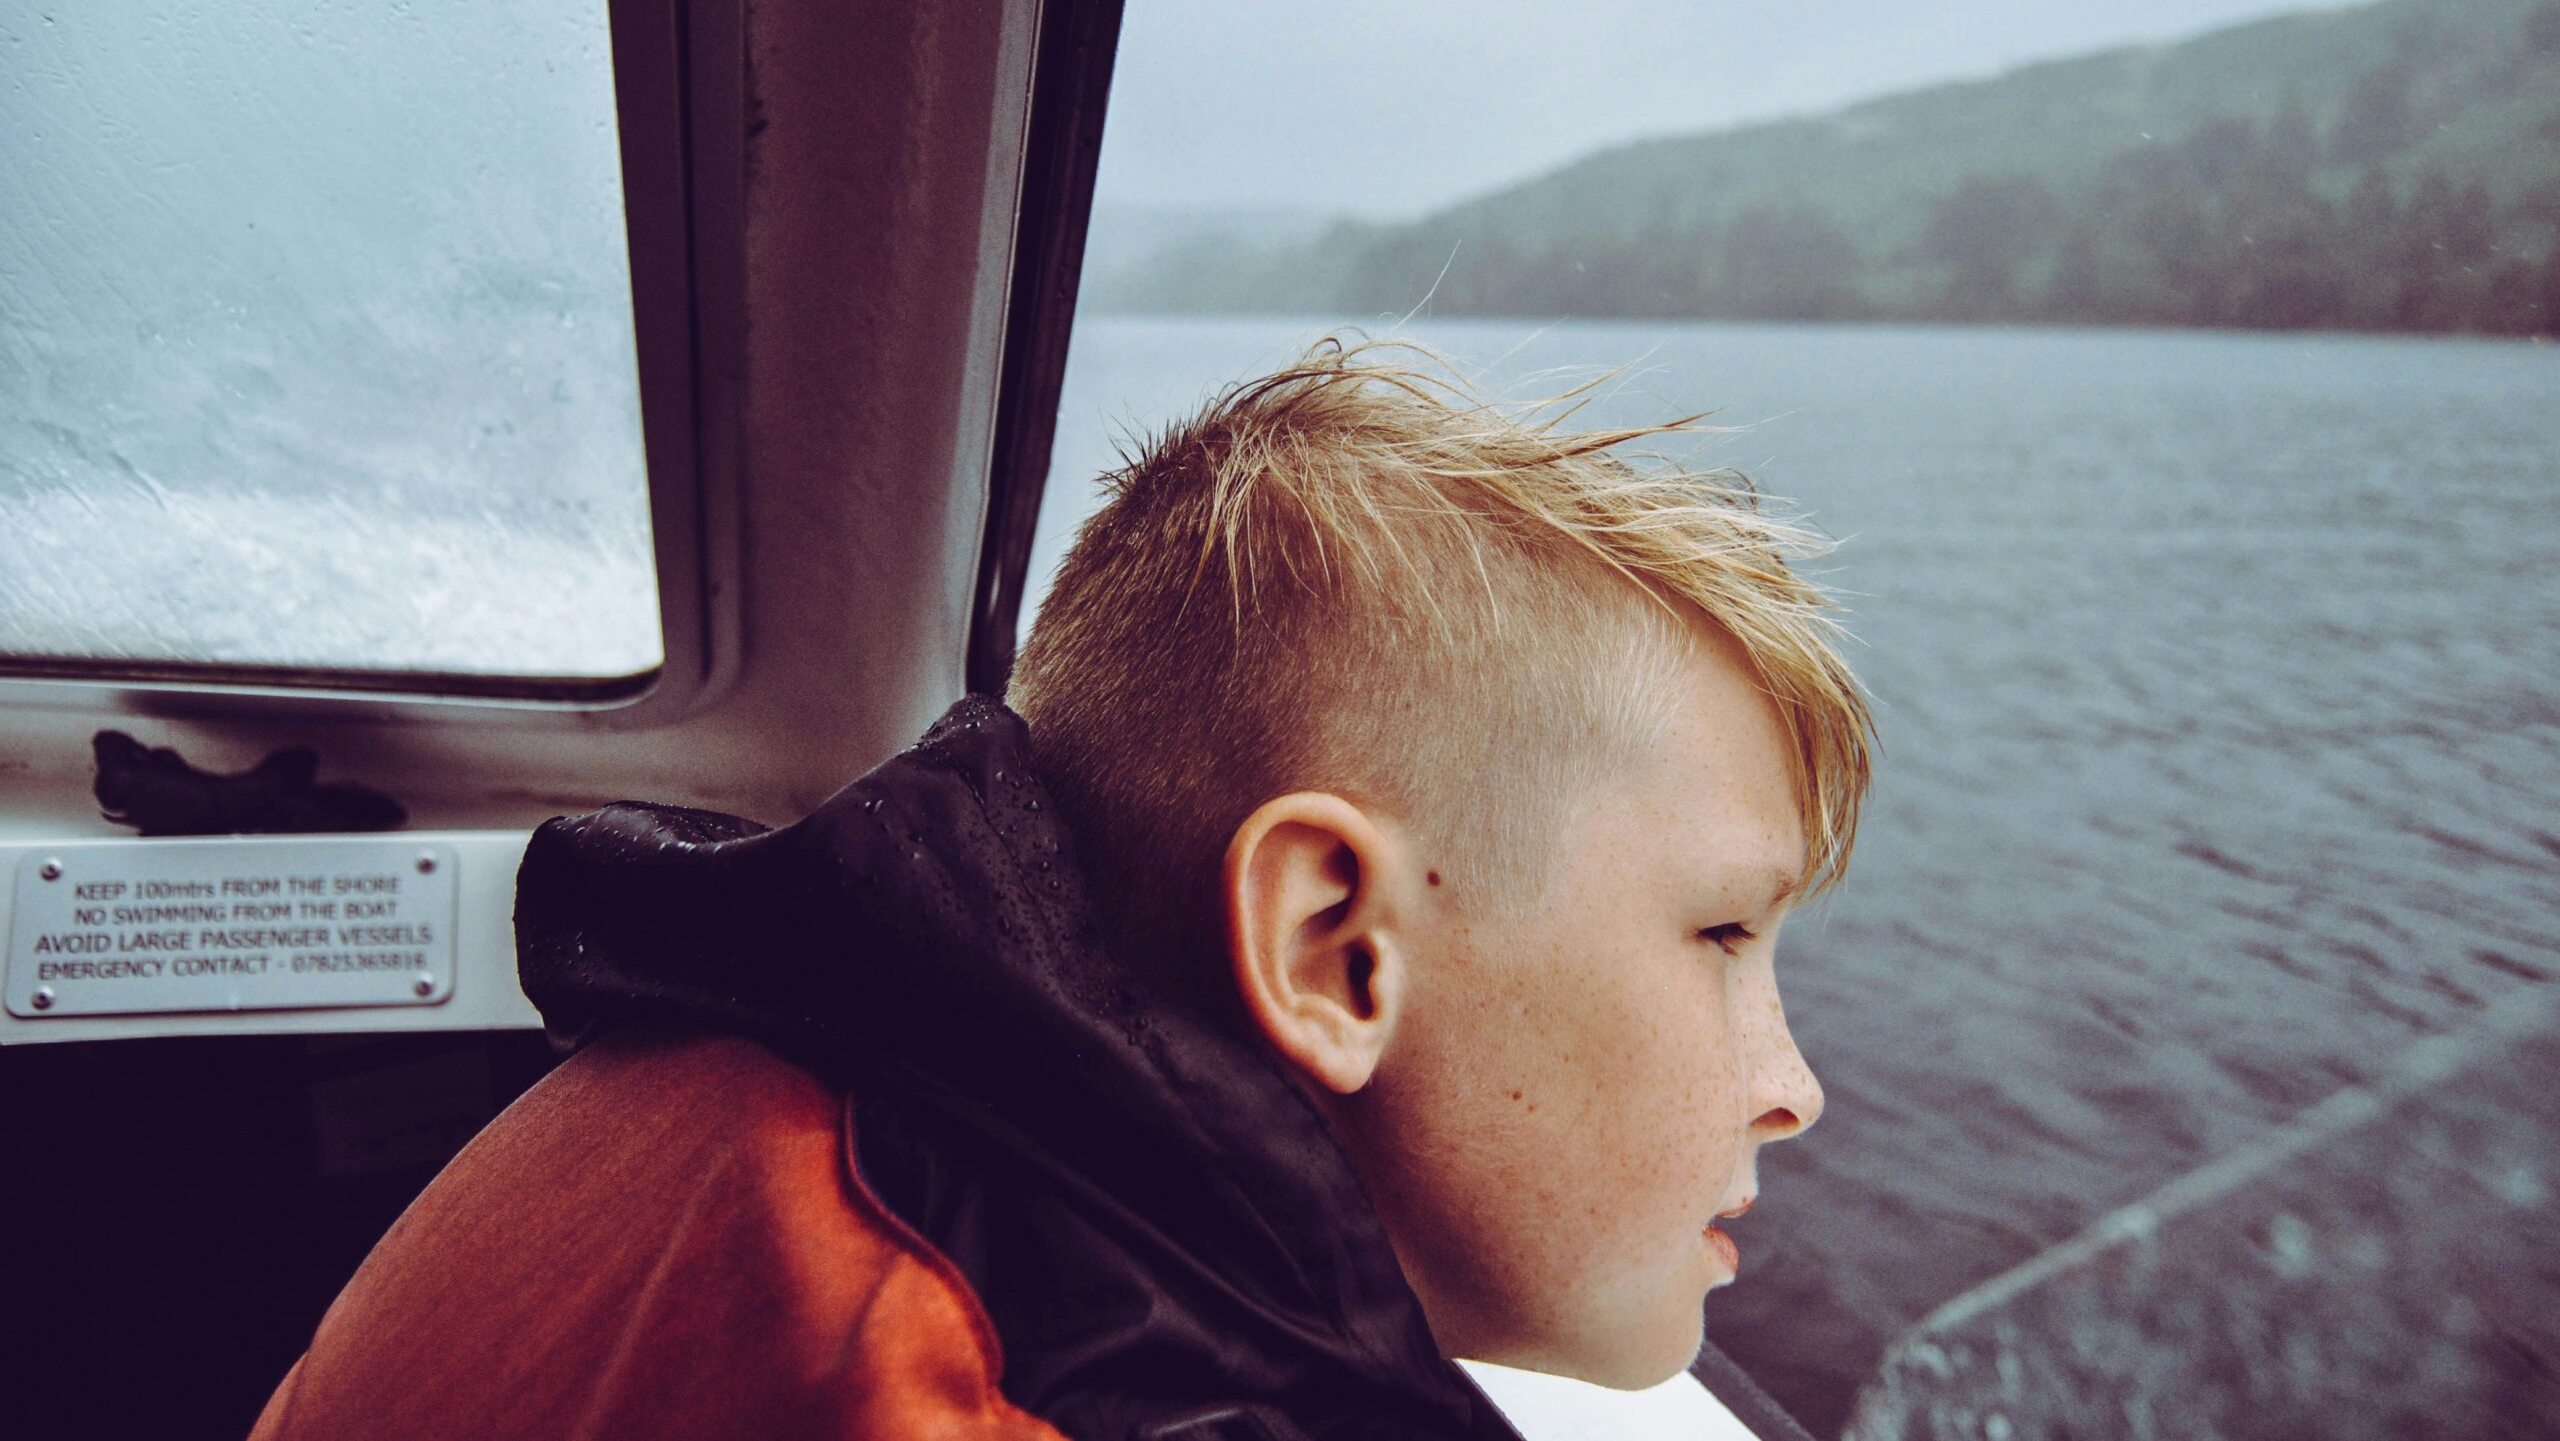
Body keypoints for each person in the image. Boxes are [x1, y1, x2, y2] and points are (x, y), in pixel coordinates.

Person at [248, 337, 1872, 1441]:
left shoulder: (813, 1064)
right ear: (1334, 948)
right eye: (1724, 932)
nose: (1792, 1089)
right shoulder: (993, 1384)